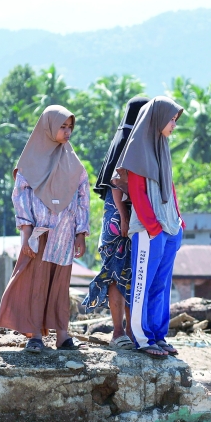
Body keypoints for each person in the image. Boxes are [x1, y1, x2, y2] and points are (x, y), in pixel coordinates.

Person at [0, 105, 89, 353]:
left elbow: (83, 197)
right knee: (36, 284)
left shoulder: (74, 163)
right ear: (48, 127)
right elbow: (21, 198)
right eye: (62, 126)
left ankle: (62, 335)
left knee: (61, 285)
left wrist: (81, 233)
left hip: (65, 236)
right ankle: (35, 335)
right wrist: (26, 235)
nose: (67, 131)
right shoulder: (29, 163)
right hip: (41, 234)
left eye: (70, 127)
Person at [111, 96, 185, 358]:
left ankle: (157, 335)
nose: (174, 124)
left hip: (169, 227)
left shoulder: (162, 146)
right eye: (171, 119)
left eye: (176, 120)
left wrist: (177, 219)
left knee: (161, 285)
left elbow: (170, 186)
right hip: (148, 228)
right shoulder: (139, 148)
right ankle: (142, 338)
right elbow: (137, 192)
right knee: (143, 284)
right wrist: (153, 227)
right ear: (157, 118)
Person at [83, 95, 149, 348]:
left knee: (122, 274)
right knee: (122, 275)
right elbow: (116, 185)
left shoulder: (122, 139)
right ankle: (121, 333)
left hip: (119, 217)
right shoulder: (131, 143)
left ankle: (125, 333)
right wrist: (124, 217)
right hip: (123, 218)